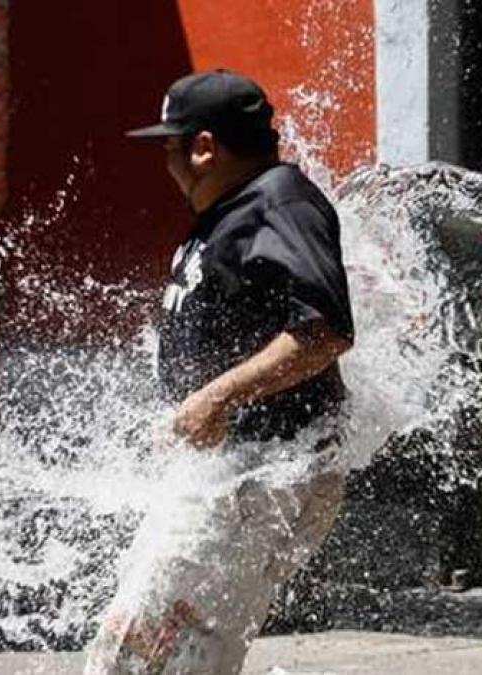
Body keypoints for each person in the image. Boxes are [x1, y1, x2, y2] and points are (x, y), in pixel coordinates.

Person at [84, 70, 355, 674]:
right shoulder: (235, 210)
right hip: (232, 475)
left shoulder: (279, 200)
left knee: (138, 656)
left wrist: (216, 398)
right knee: (173, 656)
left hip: (258, 475)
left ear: (204, 147)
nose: (166, 160)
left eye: (170, 145)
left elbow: (326, 330)